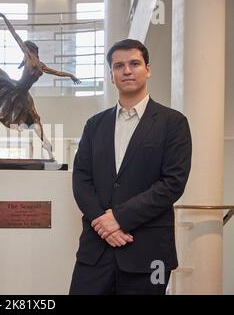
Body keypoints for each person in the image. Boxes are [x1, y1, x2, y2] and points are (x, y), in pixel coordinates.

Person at [70, 39, 192, 294]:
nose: (126, 70)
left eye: (134, 64)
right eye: (118, 66)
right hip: (96, 251)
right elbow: (81, 180)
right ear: (112, 76)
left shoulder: (173, 123)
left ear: (147, 69)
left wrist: (119, 218)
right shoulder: (94, 125)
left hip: (147, 252)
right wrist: (104, 226)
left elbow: (172, 184)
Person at [0, 9, 81, 159]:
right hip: (16, 87)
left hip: (23, 93)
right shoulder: (40, 65)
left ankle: (46, 145)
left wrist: (70, 75)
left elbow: (15, 35)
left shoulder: (33, 59)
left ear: (29, 49)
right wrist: (4, 17)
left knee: (36, 118)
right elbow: (58, 72)